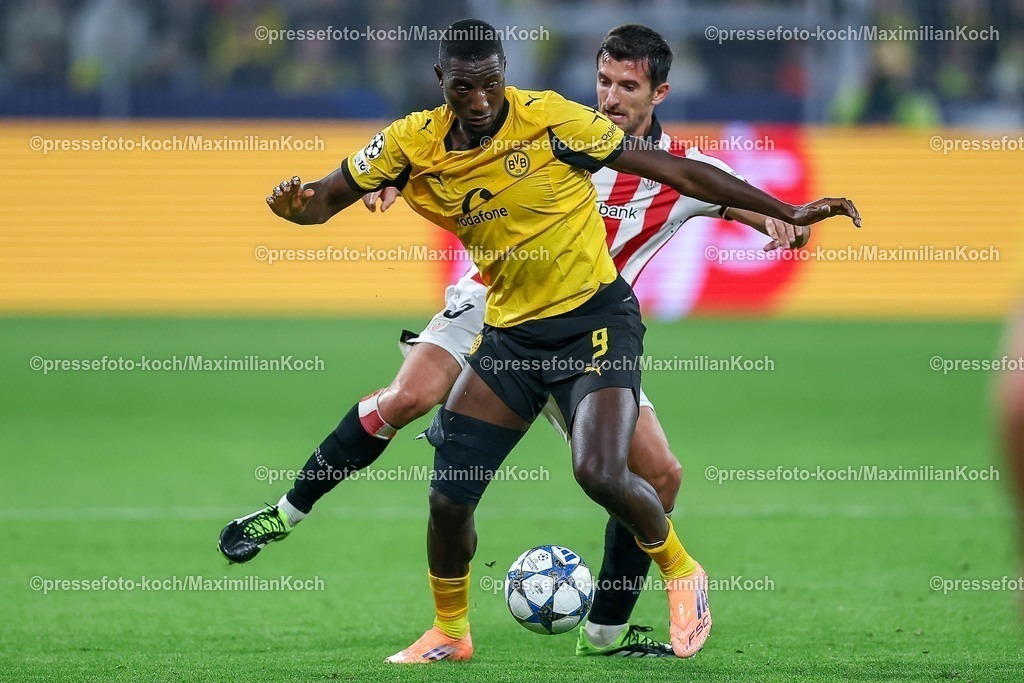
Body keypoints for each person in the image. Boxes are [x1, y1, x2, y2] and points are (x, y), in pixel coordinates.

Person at [245, 18, 859, 662]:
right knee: (414, 413)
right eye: (603, 81)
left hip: (590, 321)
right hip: (496, 310)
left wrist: (788, 219)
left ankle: (612, 627)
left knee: (649, 474)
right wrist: (394, 178)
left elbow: (720, 192)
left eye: (628, 85)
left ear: (660, 94)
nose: (612, 97)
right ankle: (305, 520)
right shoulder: (551, 130)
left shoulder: (648, 163)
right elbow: (429, 162)